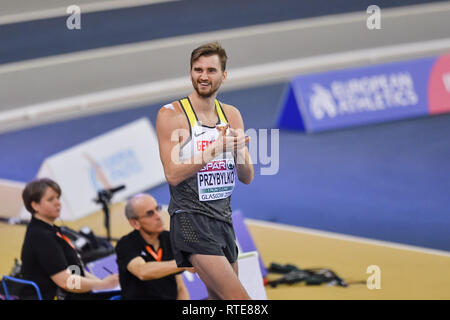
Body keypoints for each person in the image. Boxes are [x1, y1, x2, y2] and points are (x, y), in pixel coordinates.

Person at [155, 41, 254, 300]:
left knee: (217, 300)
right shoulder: (172, 114)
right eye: (197, 70)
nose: (203, 76)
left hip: (223, 219)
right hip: (190, 221)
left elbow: (247, 176)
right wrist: (216, 147)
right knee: (240, 301)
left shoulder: (231, 114)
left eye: (211, 70)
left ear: (224, 75)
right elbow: (173, 174)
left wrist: (237, 150)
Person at [20, 178, 119, 300]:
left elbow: (75, 268)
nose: (58, 203)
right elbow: (66, 282)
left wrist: (103, 283)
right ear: (35, 205)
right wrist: (101, 285)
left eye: (58, 198)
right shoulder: (41, 236)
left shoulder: (52, 230)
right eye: (51, 199)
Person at [115, 193, 192, 300]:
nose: (158, 216)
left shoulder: (170, 238)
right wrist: (182, 263)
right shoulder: (126, 244)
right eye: (150, 213)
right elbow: (142, 271)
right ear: (135, 223)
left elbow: (180, 288)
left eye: (157, 209)